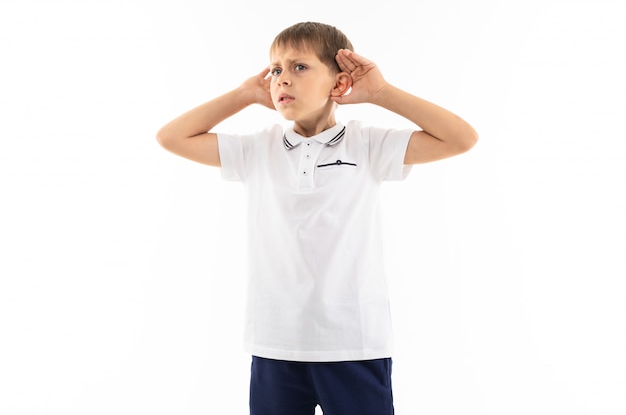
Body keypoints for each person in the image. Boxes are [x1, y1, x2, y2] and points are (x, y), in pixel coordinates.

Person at [157, 21, 477, 415]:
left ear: (339, 81)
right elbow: (171, 137)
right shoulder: (257, 150)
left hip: (354, 344)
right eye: (275, 70)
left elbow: (461, 138)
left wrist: (381, 93)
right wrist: (242, 95)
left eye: (299, 67)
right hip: (276, 345)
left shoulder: (369, 144)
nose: (281, 80)